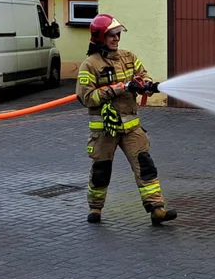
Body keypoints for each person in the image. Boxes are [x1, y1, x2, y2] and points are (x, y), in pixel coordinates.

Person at [75, 14, 177, 226]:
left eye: (118, 34)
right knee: (101, 170)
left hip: (131, 128)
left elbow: (143, 74)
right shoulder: (90, 65)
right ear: (99, 37)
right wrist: (119, 88)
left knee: (146, 166)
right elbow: (86, 98)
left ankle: (157, 209)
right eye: (111, 35)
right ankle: (95, 207)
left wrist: (146, 84)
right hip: (104, 131)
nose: (116, 39)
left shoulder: (128, 57)